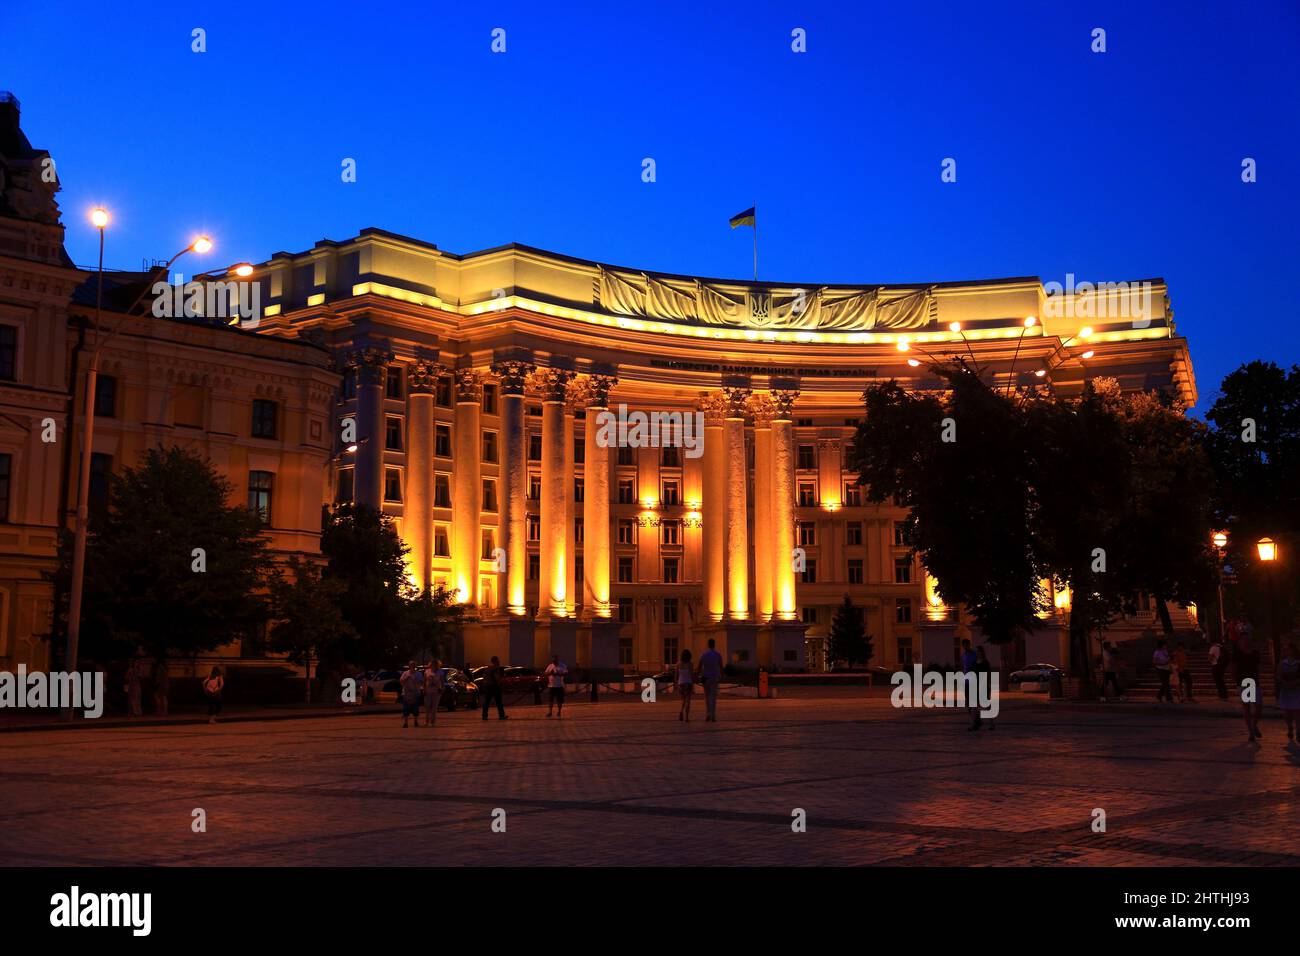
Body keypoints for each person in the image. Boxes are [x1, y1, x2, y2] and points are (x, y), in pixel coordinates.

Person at [1235, 639, 1263, 742]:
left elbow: (1259, 666)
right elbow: (1233, 667)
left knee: (1258, 706)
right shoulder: (1237, 654)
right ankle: (1251, 731)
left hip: (1254, 681)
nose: (1245, 642)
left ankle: (1254, 725)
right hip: (1243, 682)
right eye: (1243, 641)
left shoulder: (1255, 653)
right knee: (1246, 706)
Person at [1276, 640, 1300, 743]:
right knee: (1287, 713)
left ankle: (1299, 733)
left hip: (1297, 689)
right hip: (1286, 689)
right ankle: (1290, 727)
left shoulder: (1299, 662)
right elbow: (1278, 674)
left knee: (1297, 712)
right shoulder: (1282, 662)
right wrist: (1284, 682)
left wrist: (1295, 682)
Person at [698, 638, 724, 723]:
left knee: (707, 697)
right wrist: (721, 675)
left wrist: (698, 674)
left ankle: (708, 714)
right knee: (713, 697)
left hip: (706, 677)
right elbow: (721, 666)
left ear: (708, 645)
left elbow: (700, 665)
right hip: (714, 677)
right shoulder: (718, 654)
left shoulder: (704, 654)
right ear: (714, 644)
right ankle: (713, 715)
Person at [480, 656, 507, 721]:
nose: (499, 662)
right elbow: (497, 678)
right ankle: (501, 716)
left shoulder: (488, 668)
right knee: (499, 702)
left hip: (488, 687)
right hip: (494, 687)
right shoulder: (495, 668)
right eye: (498, 660)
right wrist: (501, 681)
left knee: (487, 702)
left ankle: (484, 716)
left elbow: (484, 677)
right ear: (495, 661)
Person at [974, 646, 995, 731]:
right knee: (976, 705)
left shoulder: (985, 662)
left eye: (979, 651)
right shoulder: (975, 662)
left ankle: (991, 723)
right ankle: (978, 722)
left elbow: (988, 673)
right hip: (976, 684)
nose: (978, 653)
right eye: (977, 652)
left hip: (983, 685)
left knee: (986, 705)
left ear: (982, 652)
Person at [960, 639, 979, 730]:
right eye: (964, 645)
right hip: (966, 681)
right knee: (968, 702)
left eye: (967, 645)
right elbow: (963, 667)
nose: (966, 646)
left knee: (973, 702)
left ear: (969, 645)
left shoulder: (974, 654)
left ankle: (975, 722)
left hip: (973, 680)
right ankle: (976, 720)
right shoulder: (963, 655)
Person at [399, 660, 424, 728]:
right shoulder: (405, 673)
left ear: (415, 666)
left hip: (415, 693)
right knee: (406, 708)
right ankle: (405, 723)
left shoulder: (418, 674)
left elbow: (421, 682)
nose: (412, 667)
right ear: (409, 666)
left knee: (415, 708)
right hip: (406, 694)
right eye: (410, 665)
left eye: (413, 665)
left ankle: (415, 721)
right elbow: (401, 681)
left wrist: (416, 681)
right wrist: (406, 679)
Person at [544, 654, 568, 718]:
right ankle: (550, 712)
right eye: (553, 659)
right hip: (551, 686)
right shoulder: (550, 665)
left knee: (559, 700)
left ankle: (559, 711)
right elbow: (546, 673)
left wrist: (558, 673)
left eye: (555, 659)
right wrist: (550, 673)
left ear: (557, 659)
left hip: (559, 685)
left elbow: (566, 673)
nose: (553, 660)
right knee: (550, 700)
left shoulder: (562, 665)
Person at [424, 659, 446, 727]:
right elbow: (424, 681)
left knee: (434, 707)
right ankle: (427, 721)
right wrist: (424, 689)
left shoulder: (440, 672)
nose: (434, 665)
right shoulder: (427, 671)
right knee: (427, 706)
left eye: (435, 664)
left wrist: (442, 688)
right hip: (428, 690)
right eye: (432, 664)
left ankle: (433, 722)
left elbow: (442, 681)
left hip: (436, 691)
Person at [1152, 639, 1173, 703]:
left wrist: (1170, 666)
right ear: (1162, 645)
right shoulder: (1157, 652)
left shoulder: (1165, 651)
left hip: (1166, 669)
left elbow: (1167, 659)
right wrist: (1162, 663)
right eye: (1165, 645)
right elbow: (1154, 661)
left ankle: (1159, 696)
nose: (1166, 646)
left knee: (1165, 684)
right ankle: (1169, 698)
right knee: (1166, 684)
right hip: (1160, 669)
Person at [677, 648, 695, 722]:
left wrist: (676, 684)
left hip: (681, 683)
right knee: (688, 701)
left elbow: (676, 675)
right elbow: (691, 675)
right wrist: (693, 684)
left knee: (683, 700)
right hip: (688, 683)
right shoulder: (690, 664)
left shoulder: (678, 664)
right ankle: (687, 718)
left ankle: (681, 711)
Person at [124, 651, 144, 717]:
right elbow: (127, 677)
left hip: (135, 685)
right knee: (133, 699)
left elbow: (139, 676)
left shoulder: (136, 670)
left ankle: (136, 712)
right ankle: (134, 712)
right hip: (133, 685)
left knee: (135, 698)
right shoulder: (132, 670)